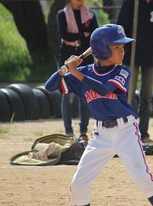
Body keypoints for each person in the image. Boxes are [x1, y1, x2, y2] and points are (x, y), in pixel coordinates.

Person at [44, 24, 153, 206]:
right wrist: (64, 69)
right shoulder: (85, 72)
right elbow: (49, 86)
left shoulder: (122, 71)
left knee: (142, 178)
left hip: (125, 132)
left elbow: (104, 90)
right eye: (117, 46)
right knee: (78, 184)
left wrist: (76, 72)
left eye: (123, 46)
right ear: (101, 51)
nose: (122, 51)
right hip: (100, 135)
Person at [117, 0, 153, 144]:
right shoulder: (131, 3)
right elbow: (121, 26)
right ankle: (127, 132)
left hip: (151, 55)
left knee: (146, 97)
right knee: (128, 95)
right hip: (132, 55)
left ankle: (143, 133)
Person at [56, 0, 98, 142]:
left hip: (85, 58)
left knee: (85, 95)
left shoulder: (89, 14)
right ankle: (68, 131)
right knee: (66, 94)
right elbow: (64, 35)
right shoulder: (62, 14)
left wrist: (76, 38)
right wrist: (82, 36)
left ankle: (83, 131)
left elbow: (93, 35)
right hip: (67, 57)